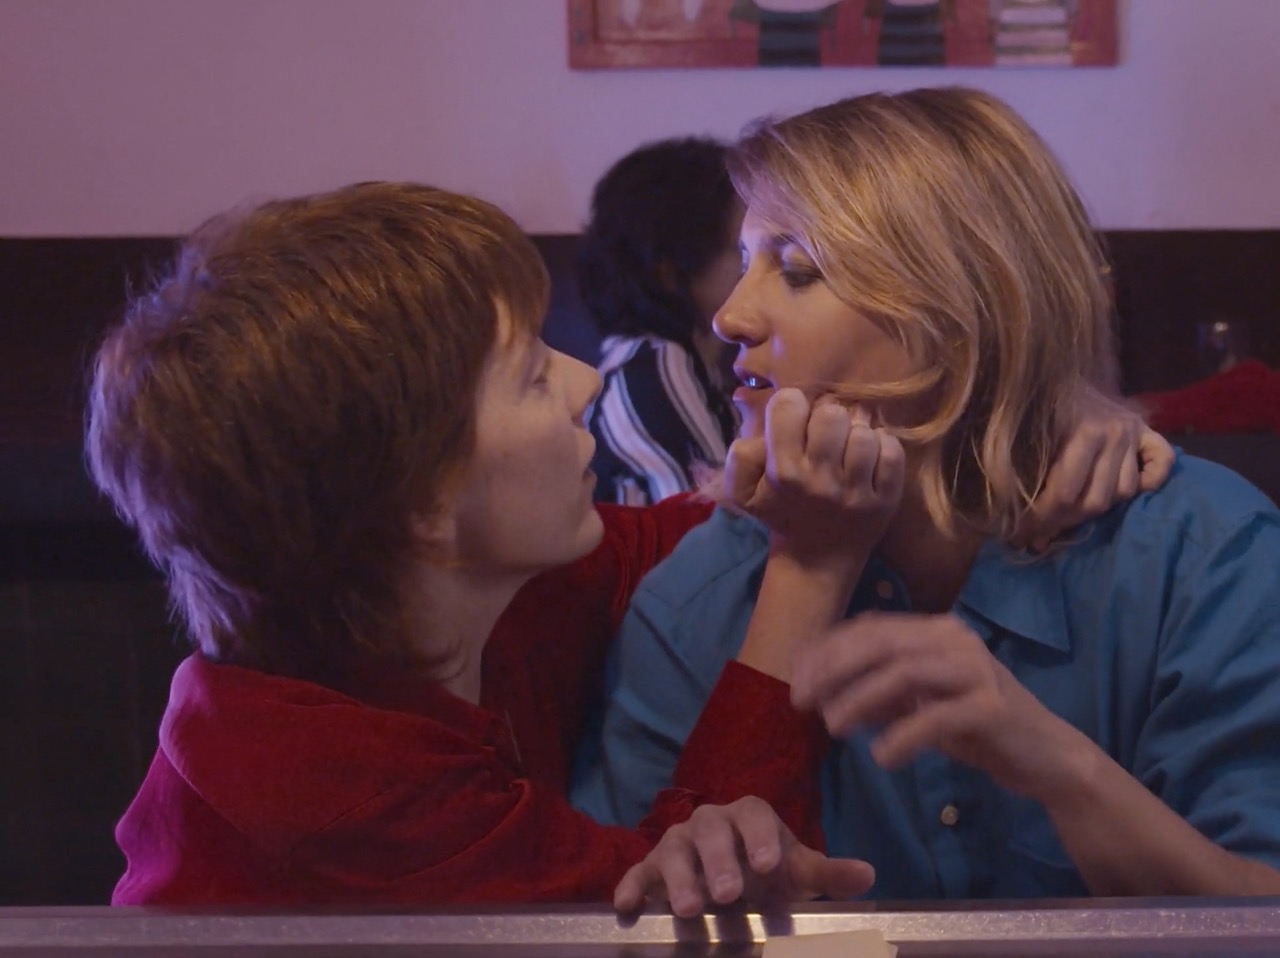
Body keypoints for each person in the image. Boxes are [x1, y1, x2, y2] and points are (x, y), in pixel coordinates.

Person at [86, 181, 888, 914]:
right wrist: (808, 570)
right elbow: (676, 903)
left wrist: (757, 499)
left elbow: (649, 546)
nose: (585, 383)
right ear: (426, 503)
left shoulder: (459, 588)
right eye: (532, 378)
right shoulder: (343, 792)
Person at [572, 87, 1280, 899]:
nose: (731, 316)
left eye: (797, 269)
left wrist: (1062, 767)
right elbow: (616, 905)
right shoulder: (699, 598)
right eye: (742, 264)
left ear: (965, 308)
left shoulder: (1201, 555)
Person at [578, 137, 743, 505]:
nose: (758, 267)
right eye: (742, 248)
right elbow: (705, 524)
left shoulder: (686, 363)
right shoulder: (655, 368)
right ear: (670, 272)